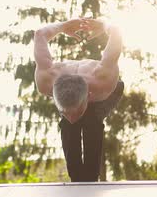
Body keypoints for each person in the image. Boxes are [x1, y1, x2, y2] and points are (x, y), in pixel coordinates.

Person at [33, 17, 124, 182]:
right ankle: (76, 177)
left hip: (105, 93)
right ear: (54, 96)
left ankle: (90, 177)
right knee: (68, 124)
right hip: (72, 93)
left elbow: (116, 31)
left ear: (88, 97)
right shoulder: (45, 80)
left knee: (91, 119)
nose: (73, 118)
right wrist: (61, 26)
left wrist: (103, 26)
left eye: (77, 112)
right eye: (65, 112)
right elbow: (40, 34)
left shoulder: (104, 79)